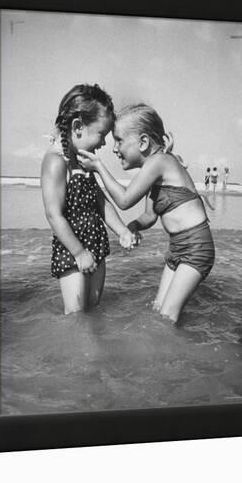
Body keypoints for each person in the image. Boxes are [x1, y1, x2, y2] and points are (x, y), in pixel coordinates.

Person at [78, 103, 215, 324]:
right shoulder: (154, 169)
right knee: (158, 311)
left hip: (197, 248)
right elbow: (149, 216)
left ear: (143, 142)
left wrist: (98, 167)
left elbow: (124, 200)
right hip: (177, 248)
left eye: (119, 140)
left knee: (167, 315)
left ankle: (172, 357)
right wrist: (133, 227)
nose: (114, 148)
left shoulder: (159, 162)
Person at [41, 84, 137, 315]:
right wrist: (79, 253)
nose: (104, 143)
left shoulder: (83, 162)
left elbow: (101, 202)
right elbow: (54, 215)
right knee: (75, 316)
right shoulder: (56, 162)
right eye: (101, 135)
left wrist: (122, 230)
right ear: (78, 127)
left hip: (96, 243)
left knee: (93, 310)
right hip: (71, 248)